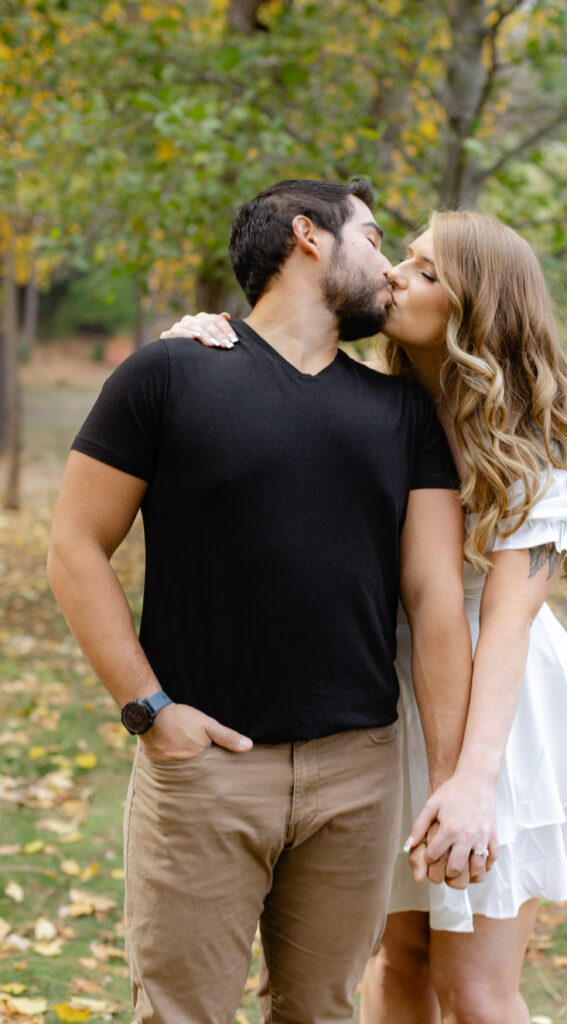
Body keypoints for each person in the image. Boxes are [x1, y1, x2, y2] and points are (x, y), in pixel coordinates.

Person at [166, 209, 567, 1024]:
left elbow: (511, 626)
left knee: (477, 991)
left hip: (500, 706)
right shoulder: (373, 403)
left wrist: (473, 780)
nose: (392, 277)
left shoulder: (527, 442)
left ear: (474, 306)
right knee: (399, 960)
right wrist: (203, 334)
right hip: (381, 693)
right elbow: (273, 358)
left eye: (422, 271)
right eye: (401, 259)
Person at [47, 178, 474, 1024]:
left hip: (357, 772)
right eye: (375, 238)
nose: (389, 268)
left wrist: (456, 777)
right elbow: (73, 546)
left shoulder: (401, 412)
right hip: (205, 769)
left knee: (319, 1012)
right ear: (308, 236)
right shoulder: (167, 375)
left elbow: (433, 598)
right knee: (181, 1013)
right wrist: (149, 709)